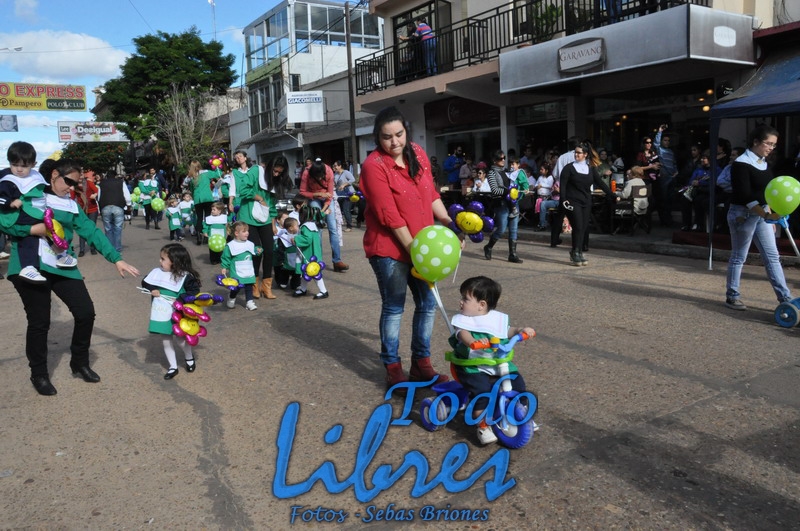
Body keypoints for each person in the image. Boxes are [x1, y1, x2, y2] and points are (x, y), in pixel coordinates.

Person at [1, 158, 139, 395]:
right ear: (54, 175)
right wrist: (31, 229)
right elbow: (5, 221)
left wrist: (116, 258)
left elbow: (91, 231)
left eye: (76, 184)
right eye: (69, 182)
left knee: (85, 313)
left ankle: (79, 362)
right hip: (29, 266)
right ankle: (39, 374)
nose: (72, 188)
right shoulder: (29, 194)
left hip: (62, 264)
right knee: (39, 322)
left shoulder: (70, 205)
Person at [361, 106, 460, 389]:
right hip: (389, 249)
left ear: (406, 131)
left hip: (423, 246)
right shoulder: (374, 166)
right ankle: (393, 367)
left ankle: (421, 364)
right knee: (394, 307)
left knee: (428, 304)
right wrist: (416, 253)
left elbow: (430, 194)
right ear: (377, 138)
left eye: (399, 134)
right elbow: (389, 216)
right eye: (387, 137)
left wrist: (448, 222)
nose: (394, 142)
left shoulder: (416, 152)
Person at [448, 276, 536, 445]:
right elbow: (462, 334)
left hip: (497, 363)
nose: (461, 302)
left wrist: (521, 330)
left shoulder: (495, 319)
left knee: (518, 384)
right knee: (482, 392)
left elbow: (507, 331)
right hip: (472, 367)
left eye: (465, 299)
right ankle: (482, 425)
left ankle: (522, 414)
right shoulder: (463, 320)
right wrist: (472, 341)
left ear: (482, 305)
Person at [725, 124, 792, 311]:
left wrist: (769, 213)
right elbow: (745, 195)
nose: (771, 148)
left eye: (774, 145)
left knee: (772, 257)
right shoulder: (740, 163)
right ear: (756, 142)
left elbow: (767, 192)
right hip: (742, 214)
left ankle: (785, 298)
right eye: (768, 143)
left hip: (762, 213)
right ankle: (732, 295)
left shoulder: (764, 163)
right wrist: (767, 215)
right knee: (739, 256)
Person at [0, 142, 77, 283]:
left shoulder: (34, 176)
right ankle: (28, 267)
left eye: (24, 166)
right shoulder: (7, 180)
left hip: (35, 212)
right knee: (29, 240)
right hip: (19, 215)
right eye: (14, 165)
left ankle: (61, 255)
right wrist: (10, 203)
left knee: (53, 230)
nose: (19, 170)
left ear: (33, 164)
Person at [141, 243, 200, 380]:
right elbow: (145, 282)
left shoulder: (186, 276)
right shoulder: (157, 272)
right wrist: (152, 289)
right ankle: (172, 367)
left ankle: (189, 357)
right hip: (162, 312)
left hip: (178, 314)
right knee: (166, 340)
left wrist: (180, 299)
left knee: (180, 340)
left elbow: (194, 291)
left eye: (163, 259)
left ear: (175, 262)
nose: (159, 261)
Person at [232, 151, 278, 299]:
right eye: (275, 171)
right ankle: (254, 285)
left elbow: (272, 204)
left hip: (265, 219)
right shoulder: (255, 171)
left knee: (269, 251)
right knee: (256, 251)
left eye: (279, 173)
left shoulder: (274, 182)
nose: (276, 174)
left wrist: (273, 224)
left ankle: (266, 286)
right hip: (248, 217)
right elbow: (243, 190)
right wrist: (259, 198)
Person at [560, 140, 613, 266]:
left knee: (583, 227)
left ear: (585, 154)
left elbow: (600, 183)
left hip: (586, 201)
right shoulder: (568, 168)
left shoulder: (590, 168)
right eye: (575, 152)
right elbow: (563, 186)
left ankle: (578, 251)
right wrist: (563, 201)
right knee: (578, 226)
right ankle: (575, 252)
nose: (576, 155)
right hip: (573, 201)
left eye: (579, 153)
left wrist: (612, 194)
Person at [298, 158, 348, 272]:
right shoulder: (306, 173)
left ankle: (337, 261)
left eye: (321, 176)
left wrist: (324, 209)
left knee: (333, 228)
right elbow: (302, 191)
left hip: (327, 200)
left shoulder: (329, 171)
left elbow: (330, 194)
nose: (320, 179)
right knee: (318, 229)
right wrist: (318, 194)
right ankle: (318, 261)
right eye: (318, 177)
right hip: (314, 198)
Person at [483, 150, 523, 264]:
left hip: (513, 203)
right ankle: (489, 246)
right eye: (501, 158)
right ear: (494, 160)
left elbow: (515, 184)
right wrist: (508, 191)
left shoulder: (507, 172)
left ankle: (512, 254)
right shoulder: (491, 173)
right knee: (501, 229)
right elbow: (495, 190)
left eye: (504, 158)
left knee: (514, 229)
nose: (503, 160)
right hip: (501, 204)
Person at [291, 203, 329, 299]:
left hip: (309, 253)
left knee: (313, 272)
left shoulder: (305, 227)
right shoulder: (312, 225)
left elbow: (307, 239)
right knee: (306, 272)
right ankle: (303, 289)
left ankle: (323, 291)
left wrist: (296, 239)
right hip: (313, 252)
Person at [222, 221, 259, 310]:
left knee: (249, 286)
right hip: (237, 271)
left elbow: (253, 252)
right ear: (236, 233)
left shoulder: (250, 243)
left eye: (247, 231)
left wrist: (257, 251)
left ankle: (249, 302)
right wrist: (224, 267)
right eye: (244, 231)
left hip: (248, 270)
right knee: (236, 287)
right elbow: (226, 257)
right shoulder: (231, 246)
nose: (247, 233)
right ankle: (231, 297)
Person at [97, 169, 131, 253]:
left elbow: (99, 197)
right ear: (115, 176)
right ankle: (117, 248)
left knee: (108, 229)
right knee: (118, 228)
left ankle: (109, 248)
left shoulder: (101, 183)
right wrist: (128, 205)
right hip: (118, 206)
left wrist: (99, 208)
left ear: (106, 176)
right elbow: (127, 195)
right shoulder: (121, 182)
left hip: (105, 206)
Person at [654, 125, 678, 226]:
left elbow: (674, 163)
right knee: (663, 199)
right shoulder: (660, 150)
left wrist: (676, 171)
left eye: (668, 140)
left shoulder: (671, 151)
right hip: (664, 177)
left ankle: (669, 219)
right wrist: (659, 131)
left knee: (670, 200)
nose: (667, 142)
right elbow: (656, 143)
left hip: (672, 177)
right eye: (665, 140)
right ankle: (664, 220)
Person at [188, 160, 215, 245]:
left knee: (199, 218)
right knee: (208, 217)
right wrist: (217, 167)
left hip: (198, 199)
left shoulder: (192, 177)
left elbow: (192, 189)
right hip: (207, 198)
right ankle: (206, 236)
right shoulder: (206, 173)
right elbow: (218, 174)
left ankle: (199, 235)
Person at [76, 169, 99, 256]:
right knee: (82, 230)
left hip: (92, 209)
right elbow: (71, 197)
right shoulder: (75, 186)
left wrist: (94, 195)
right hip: (81, 210)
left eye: (82, 174)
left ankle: (92, 248)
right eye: (79, 174)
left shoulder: (89, 183)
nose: (81, 175)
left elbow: (97, 190)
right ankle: (82, 249)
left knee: (91, 229)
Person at [333, 160, 356, 231]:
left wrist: (344, 184)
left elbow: (353, 179)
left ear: (340, 166)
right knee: (339, 209)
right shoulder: (335, 174)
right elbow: (335, 183)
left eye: (335, 166)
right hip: (340, 194)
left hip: (349, 194)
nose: (334, 167)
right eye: (334, 166)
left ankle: (349, 226)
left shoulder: (346, 172)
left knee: (346, 209)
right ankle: (338, 224)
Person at [534, 162, 555, 230]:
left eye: (542, 169)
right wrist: (537, 186)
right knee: (539, 210)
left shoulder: (550, 177)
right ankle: (541, 222)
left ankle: (544, 223)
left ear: (546, 170)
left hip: (546, 197)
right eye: (540, 169)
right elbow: (536, 184)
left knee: (545, 211)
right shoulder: (540, 177)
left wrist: (541, 185)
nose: (540, 171)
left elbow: (550, 186)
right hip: (539, 196)